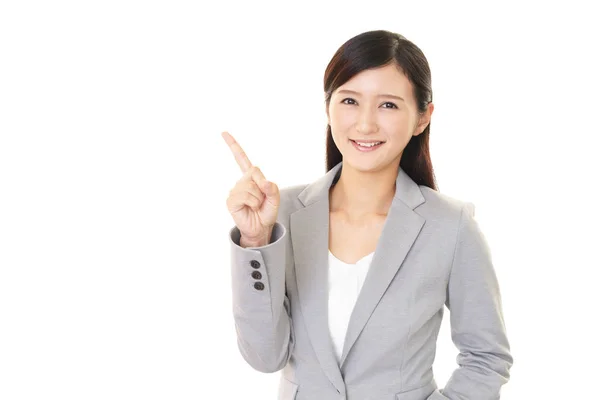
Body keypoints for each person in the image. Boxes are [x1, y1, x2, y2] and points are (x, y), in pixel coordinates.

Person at [223, 29, 512, 400]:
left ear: (423, 118)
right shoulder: (284, 213)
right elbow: (265, 357)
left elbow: (486, 358)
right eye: (349, 101)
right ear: (327, 107)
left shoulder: (451, 226)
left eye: (388, 105)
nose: (364, 124)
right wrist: (255, 241)